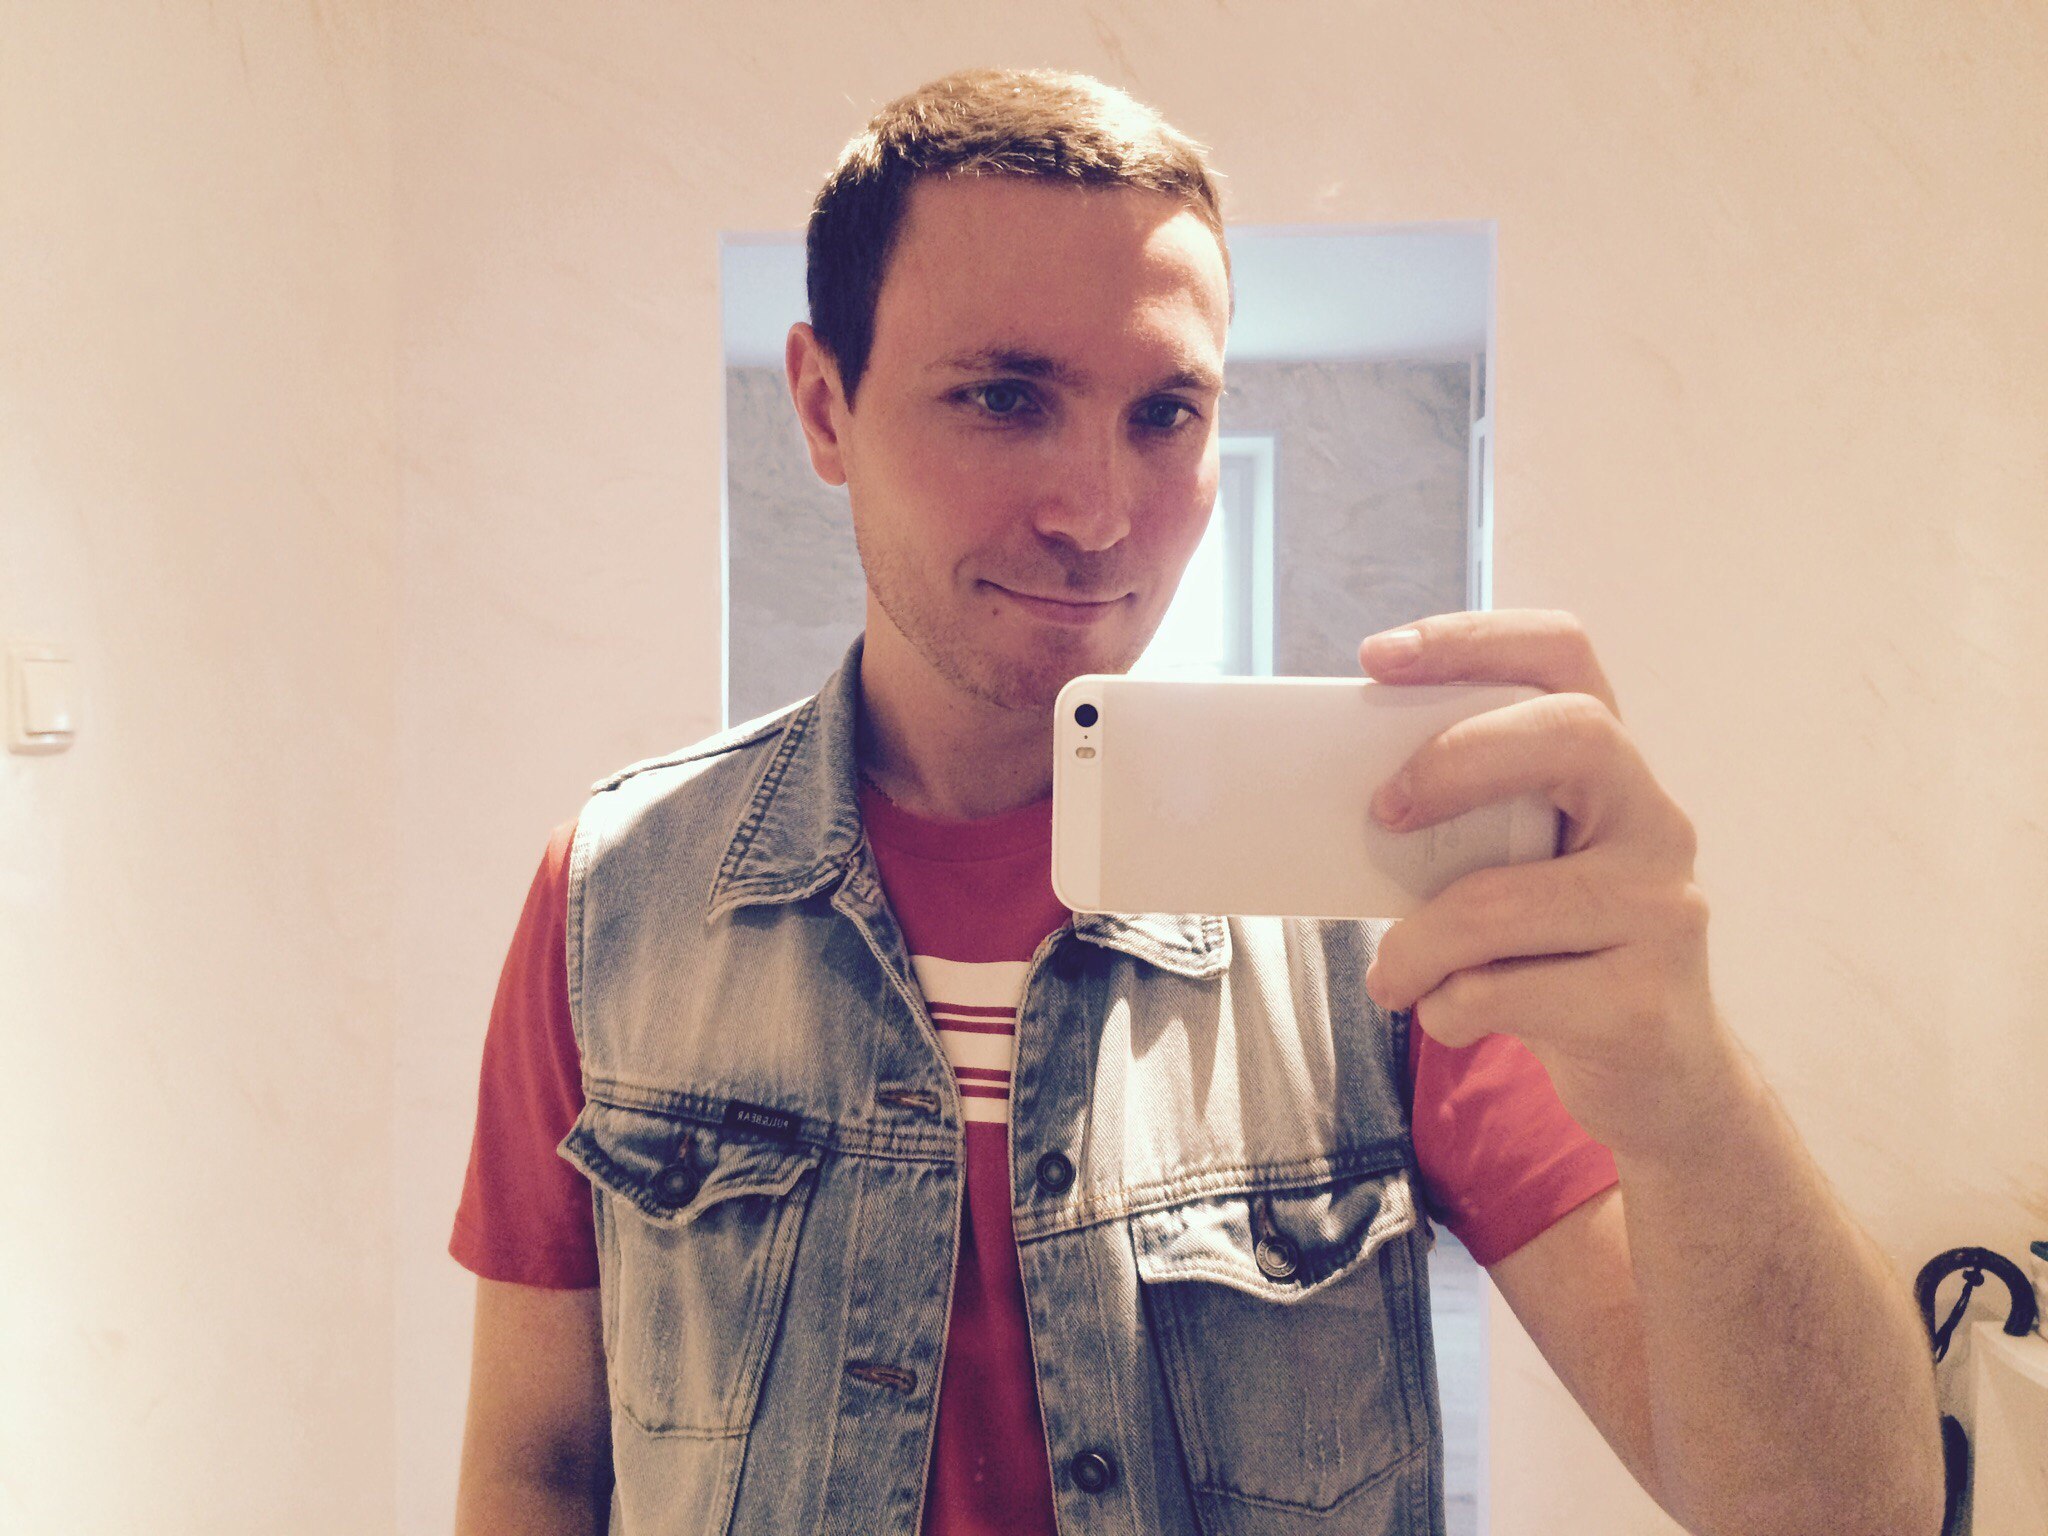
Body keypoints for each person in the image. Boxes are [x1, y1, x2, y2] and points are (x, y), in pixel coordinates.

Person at [448, 67, 1944, 1536]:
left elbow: (1849, 1517)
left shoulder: (1388, 903)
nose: (1099, 515)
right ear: (824, 407)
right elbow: (536, 1471)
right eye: (1004, 397)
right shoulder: (619, 896)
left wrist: (1688, 1097)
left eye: (1166, 413)